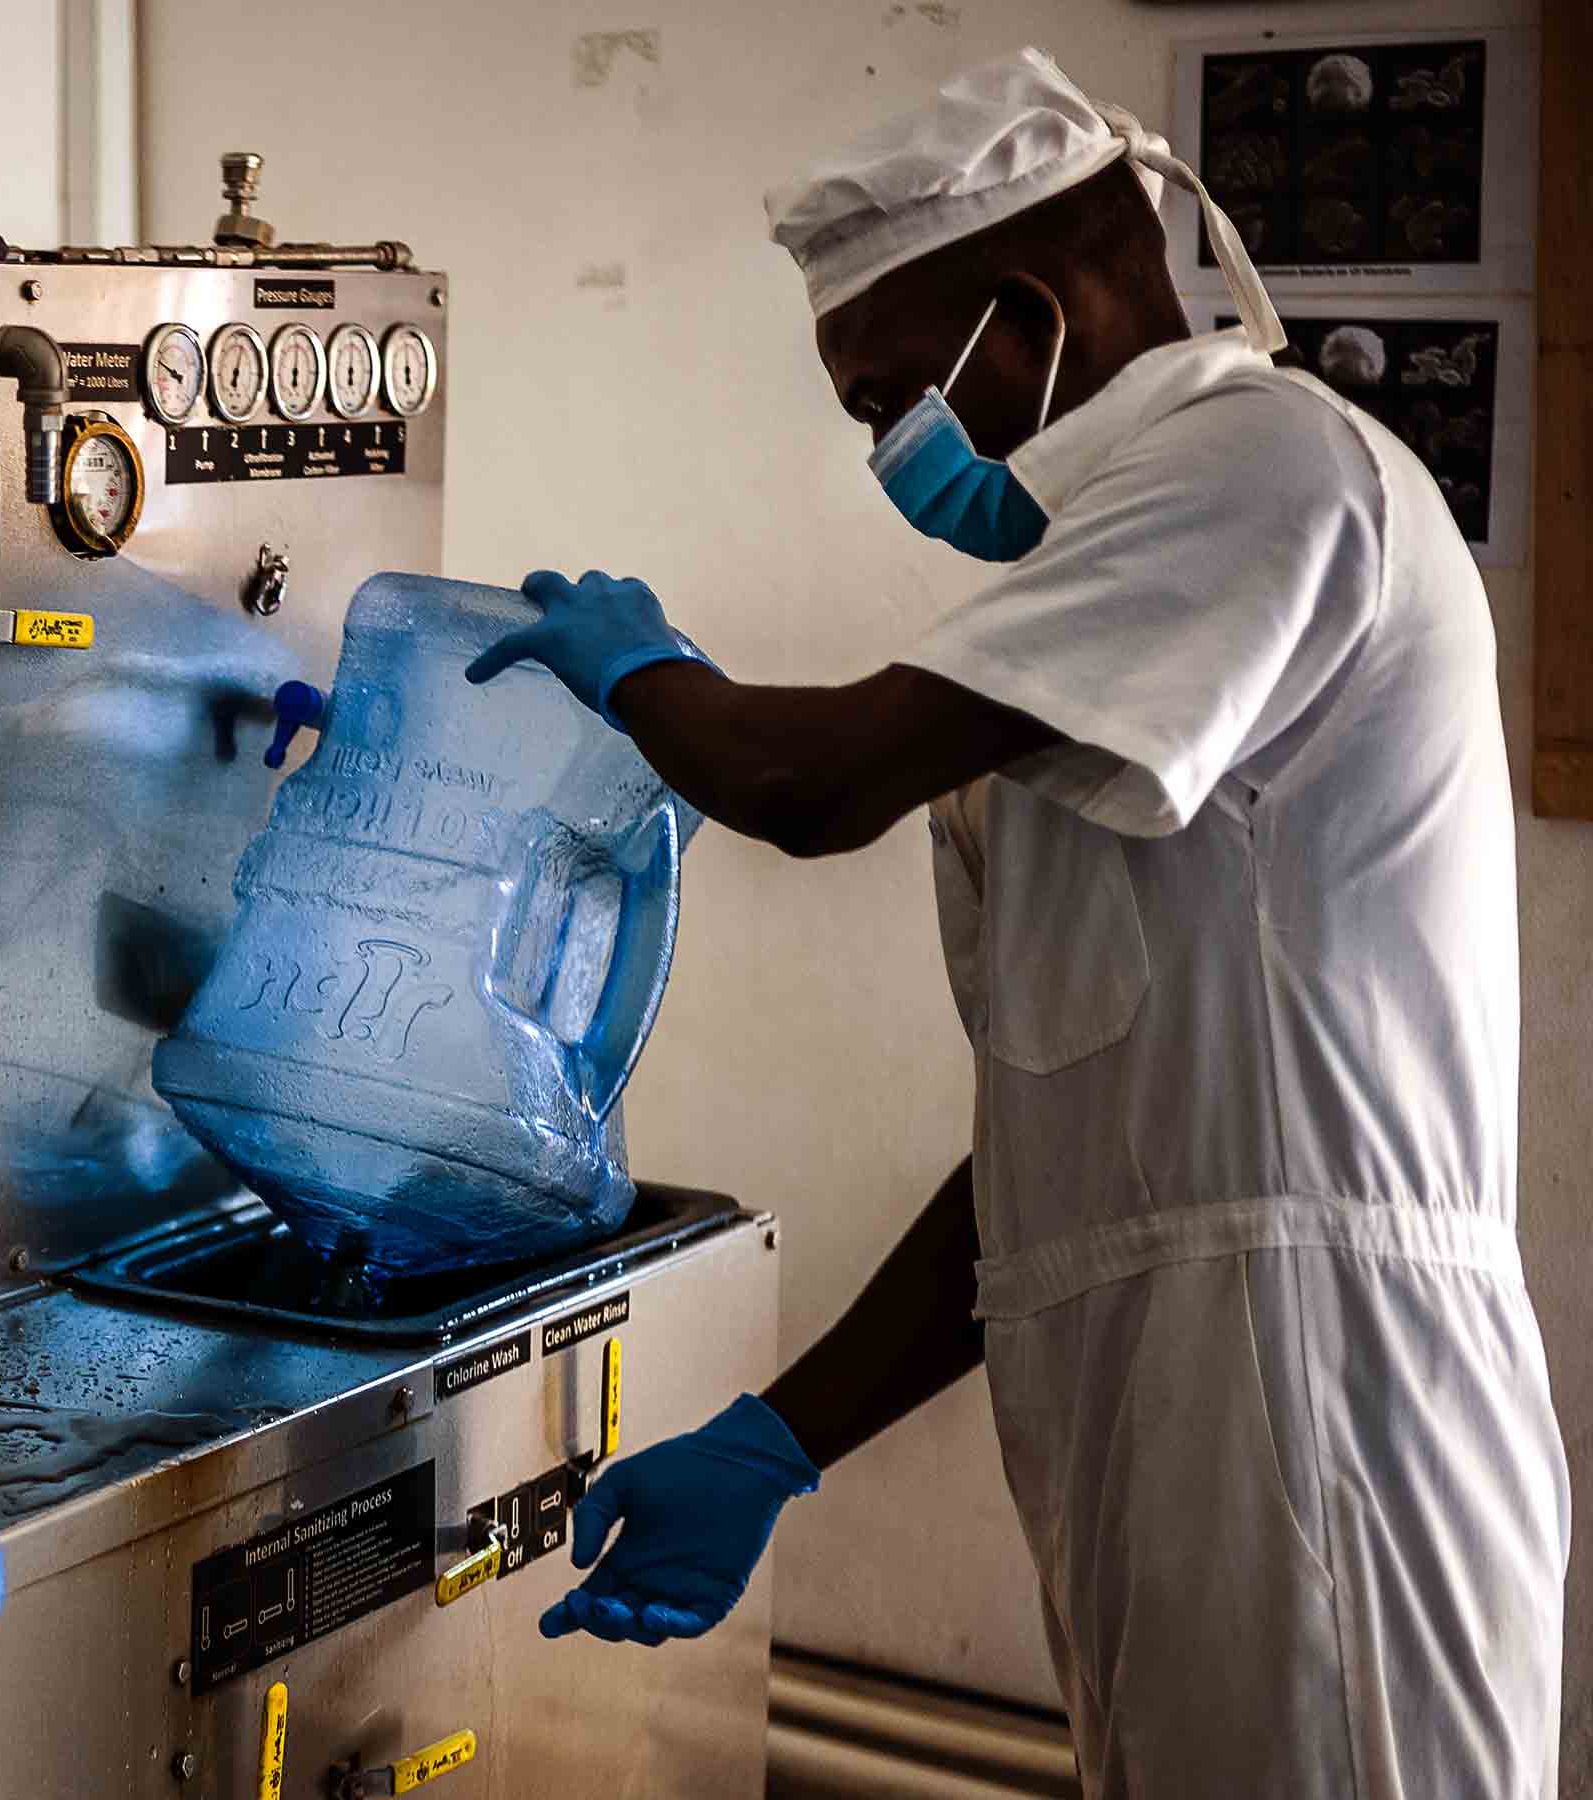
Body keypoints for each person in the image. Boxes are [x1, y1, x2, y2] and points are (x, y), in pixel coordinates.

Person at [468, 48, 1565, 1797]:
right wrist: (775, 1443)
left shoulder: (1269, 466)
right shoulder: (1106, 607)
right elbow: (1058, 1164)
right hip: (1187, 1427)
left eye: (885, 398)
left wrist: (641, 673)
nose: (886, 455)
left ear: (1033, 314)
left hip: (1330, 1421)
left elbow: (814, 782)